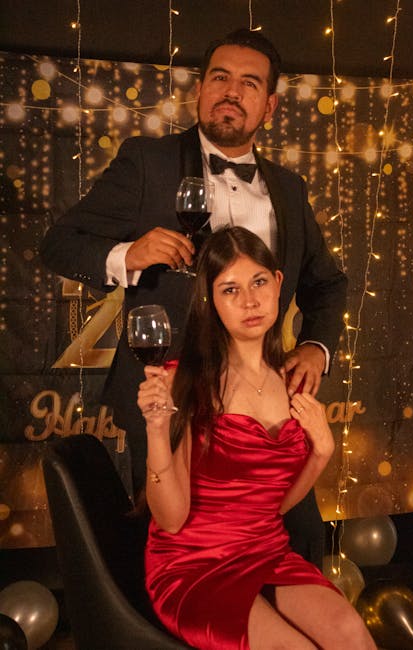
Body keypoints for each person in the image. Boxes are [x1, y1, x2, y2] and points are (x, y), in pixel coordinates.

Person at [39, 28, 347, 566]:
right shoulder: (148, 162)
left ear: (270, 105)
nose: (232, 92)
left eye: (250, 83)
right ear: (200, 89)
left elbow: (327, 283)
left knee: (293, 542)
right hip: (170, 397)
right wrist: (129, 254)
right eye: (220, 78)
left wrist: (315, 348)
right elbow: (59, 245)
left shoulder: (289, 189)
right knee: (182, 551)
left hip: (265, 402)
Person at [137, 226, 374, 650]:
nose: (250, 301)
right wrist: (156, 429)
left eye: (259, 282)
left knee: (351, 633)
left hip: (266, 552)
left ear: (279, 283)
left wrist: (322, 452)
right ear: (211, 300)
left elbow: (273, 505)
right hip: (194, 564)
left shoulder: (292, 379)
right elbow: (171, 520)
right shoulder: (186, 381)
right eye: (230, 289)